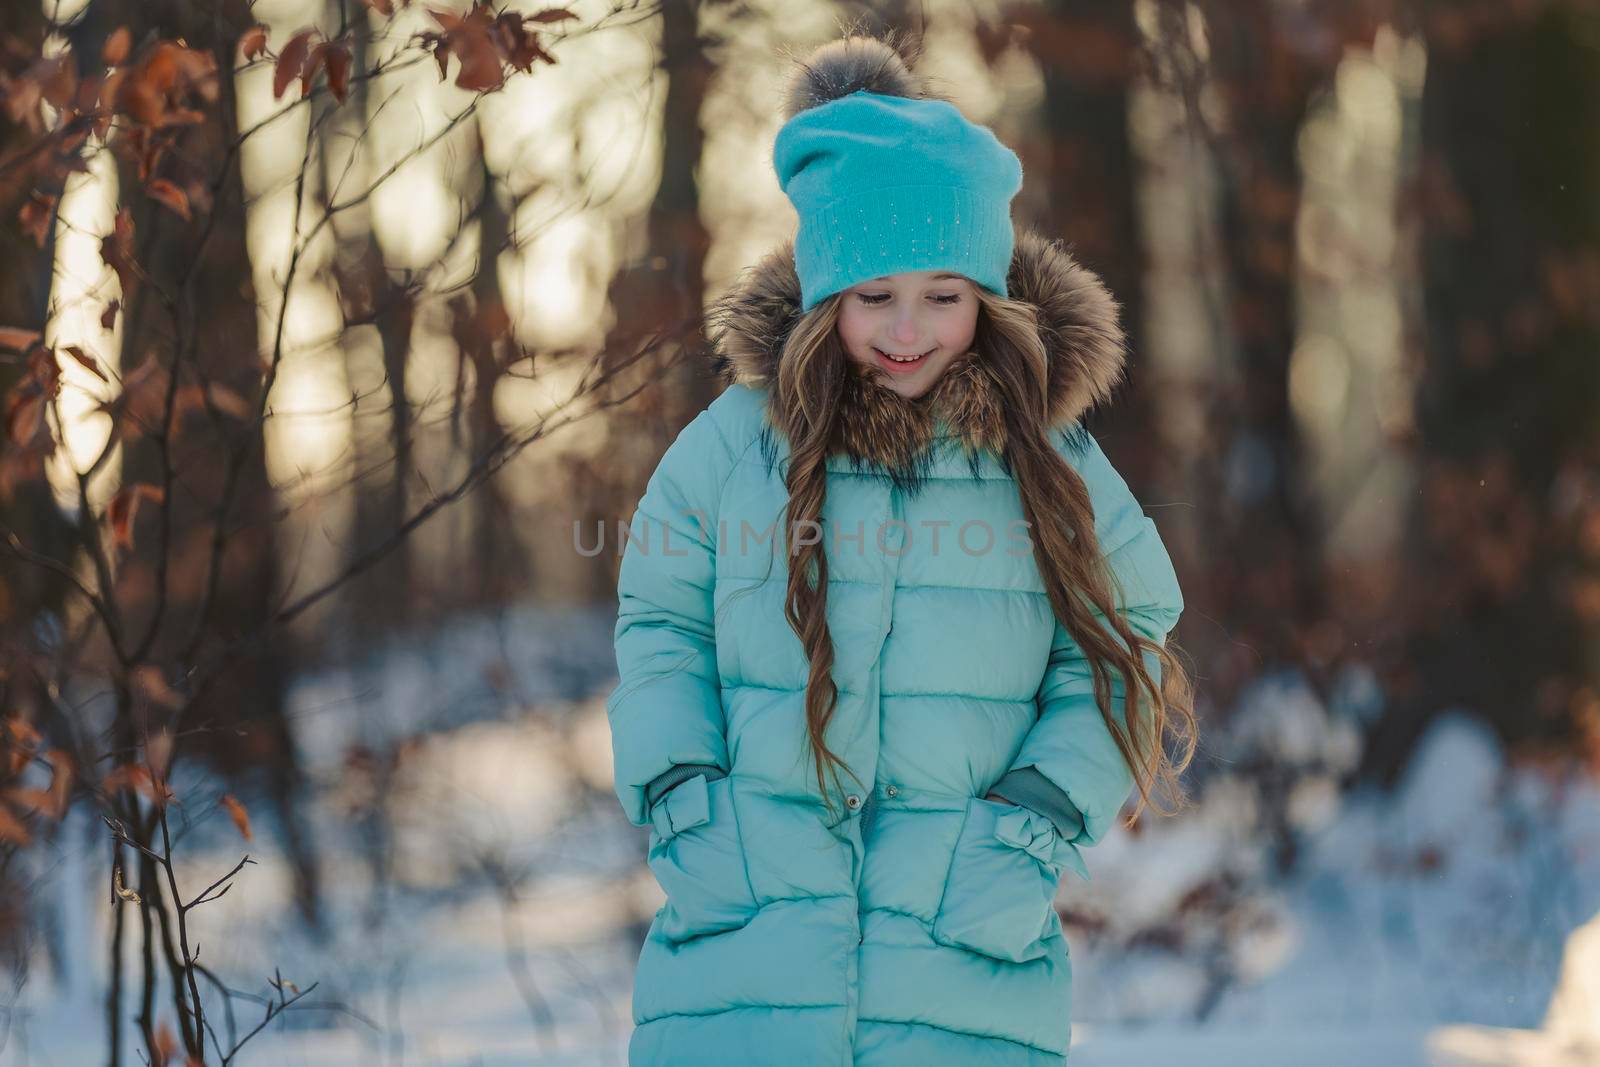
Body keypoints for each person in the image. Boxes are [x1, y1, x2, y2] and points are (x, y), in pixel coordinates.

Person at [605, 33, 1197, 1066]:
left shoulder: (1044, 459)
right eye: (873, 297)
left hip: (959, 936)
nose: (909, 329)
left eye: (944, 294)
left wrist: (1035, 822)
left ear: (989, 296)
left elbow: (1128, 629)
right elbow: (660, 619)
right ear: (828, 298)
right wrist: (683, 796)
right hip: (751, 933)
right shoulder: (731, 450)